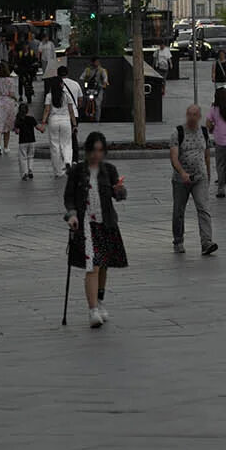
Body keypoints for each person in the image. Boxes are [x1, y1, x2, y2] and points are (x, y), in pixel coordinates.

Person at [64, 131, 128, 328]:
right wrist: (72, 215)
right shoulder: (77, 172)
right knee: (93, 266)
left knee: (103, 265)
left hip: (106, 224)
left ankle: (100, 300)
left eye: (100, 150)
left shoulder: (109, 170)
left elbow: (119, 196)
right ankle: (92, 310)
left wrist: (119, 190)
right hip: (86, 226)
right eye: (93, 150)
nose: (96, 155)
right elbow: (69, 197)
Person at [170, 104, 217, 256]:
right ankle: (178, 241)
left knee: (203, 209)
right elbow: (173, 157)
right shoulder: (178, 132)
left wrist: (208, 175)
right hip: (180, 179)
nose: (191, 117)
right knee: (178, 211)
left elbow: (207, 155)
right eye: (189, 114)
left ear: (199, 116)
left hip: (200, 177)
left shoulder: (203, 132)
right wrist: (182, 172)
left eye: (195, 114)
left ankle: (206, 242)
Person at [41, 67, 80, 178]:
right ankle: (68, 161)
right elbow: (71, 112)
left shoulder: (49, 96)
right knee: (67, 144)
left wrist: (43, 122)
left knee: (55, 146)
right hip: (66, 121)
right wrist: (74, 124)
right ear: (60, 85)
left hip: (53, 121)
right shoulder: (66, 96)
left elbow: (47, 110)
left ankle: (58, 171)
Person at [14, 102, 38, 181]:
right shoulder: (31, 118)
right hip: (32, 141)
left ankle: (24, 173)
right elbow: (38, 127)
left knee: (23, 158)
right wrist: (43, 128)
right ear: (27, 110)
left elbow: (17, 131)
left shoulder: (18, 119)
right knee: (30, 156)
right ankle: (30, 170)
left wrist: (16, 129)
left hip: (22, 142)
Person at [40, 36, 60, 109]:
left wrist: (54, 60)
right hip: (44, 59)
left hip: (50, 59)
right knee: (45, 70)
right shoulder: (42, 43)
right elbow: (40, 50)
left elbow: (53, 51)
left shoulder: (51, 44)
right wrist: (42, 43)